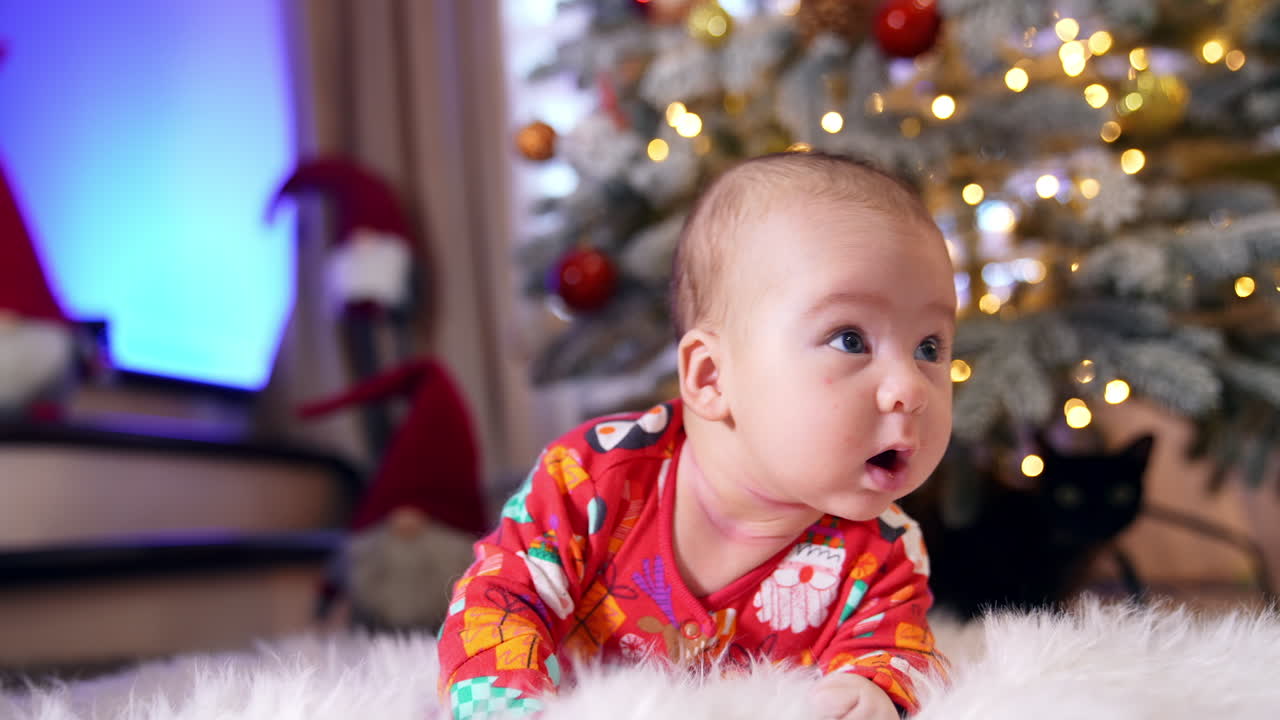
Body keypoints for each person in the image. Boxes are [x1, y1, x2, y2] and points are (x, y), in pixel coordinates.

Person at [438, 152, 955, 720]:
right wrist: (506, 702)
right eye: (850, 339)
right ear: (711, 377)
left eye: (929, 347)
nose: (912, 386)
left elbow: (899, 648)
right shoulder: (593, 477)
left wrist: (874, 688)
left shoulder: (881, 549)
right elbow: (500, 598)